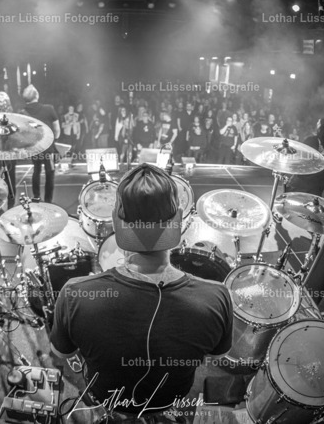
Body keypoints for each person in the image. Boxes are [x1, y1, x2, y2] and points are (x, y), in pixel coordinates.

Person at [50, 163, 233, 420]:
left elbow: (63, 353)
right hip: (174, 397)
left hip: (107, 397)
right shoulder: (217, 297)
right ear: (178, 221)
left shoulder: (74, 294)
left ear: (116, 222)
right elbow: (218, 354)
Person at [22, 85, 60, 203]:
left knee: (36, 170)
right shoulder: (49, 109)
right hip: (48, 147)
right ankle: (48, 200)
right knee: (50, 172)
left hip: (34, 147)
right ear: (37, 95)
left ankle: (36, 196)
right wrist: (54, 140)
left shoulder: (22, 112)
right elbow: (57, 129)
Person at [285, 116, 324, 197]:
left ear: (320, 126)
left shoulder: (312, 140)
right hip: (320, 184)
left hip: (305, 181)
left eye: (318, 122)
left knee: (289, 190)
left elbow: (299, 157)